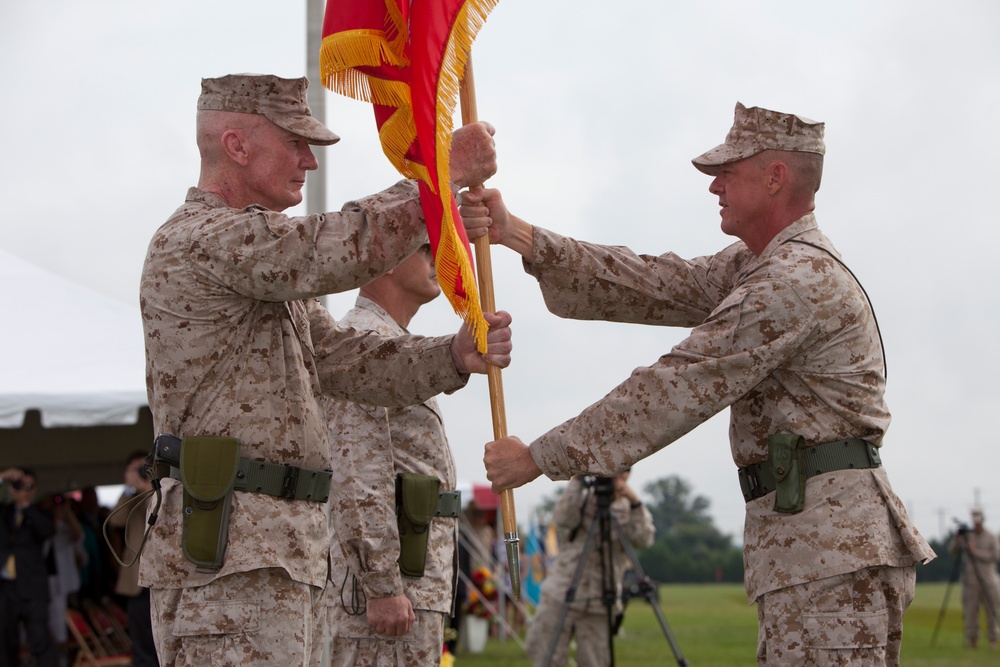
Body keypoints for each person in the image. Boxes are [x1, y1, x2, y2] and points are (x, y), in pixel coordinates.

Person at [462, 102, 936, 665]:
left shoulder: (793, 280)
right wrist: (521, 235)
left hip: (830, 555)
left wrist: (539, 457)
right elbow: (655, 282)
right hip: (814, 550)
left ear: (776, 176)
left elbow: (678, 385)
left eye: (728, 172)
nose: (714, 186)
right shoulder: (759, 265)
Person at [139, 73, 511, 667]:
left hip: (283, 557)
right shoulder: (202, 240)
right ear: (237, 146)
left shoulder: (262, 260)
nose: (309, 162)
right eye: (295, 143)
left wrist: (449, 357)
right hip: (229, 566)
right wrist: (438, 176)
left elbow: (341, 361)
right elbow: (328, 248)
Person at [326, 243, 461, 665]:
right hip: (388, 591)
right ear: (380, 262)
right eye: (422, 248)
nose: (435, 257)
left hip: (413, 577)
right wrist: (381, 584)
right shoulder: (361, 342)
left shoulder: (390, 341)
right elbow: (356, 470)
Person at [524, 471, 654, 667]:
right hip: (561, 592)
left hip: (601, 599)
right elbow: (562, 518)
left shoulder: (630, 509)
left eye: (623, 468)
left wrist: (634, 501)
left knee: (595, 661)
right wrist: (578, 478)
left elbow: (644, 539)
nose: (617, 474)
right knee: (547, 658)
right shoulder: (583, 499)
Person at [0, 468, 58, 667]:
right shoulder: (4, 512)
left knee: (39, 637)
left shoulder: (39, 513)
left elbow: (47, 531)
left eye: (28, 485)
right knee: (6, 641)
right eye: (19, 485)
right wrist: (3, 478)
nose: (23, 489)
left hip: (33, 587)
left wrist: (25, 505)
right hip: (6, 588)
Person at [108, 451, 159, 666]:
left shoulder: (163, 490)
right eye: (135, 468)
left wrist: (150, 489)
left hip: (161, 576)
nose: (141, 472)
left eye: (143, 467)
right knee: (141, 639)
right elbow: (116, 521)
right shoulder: (130, 498)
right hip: (136, 579)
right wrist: (130, 488)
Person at [948, 508, 1000, 649]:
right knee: (970, 611)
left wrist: (976, 552)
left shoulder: (991, 536)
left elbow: (995, 555)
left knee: (992, 610)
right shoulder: (967, 536)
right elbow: (952, 550)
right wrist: (957, 538)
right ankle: (972, 639)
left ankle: (993, 639)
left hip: (988, 579)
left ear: (982, 520)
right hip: (970, 580)